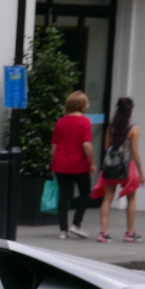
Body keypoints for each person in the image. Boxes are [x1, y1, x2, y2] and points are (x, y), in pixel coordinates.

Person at [92, 96, 145, 243]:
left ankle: (103, 232)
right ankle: (129, 233)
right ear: (130, 111)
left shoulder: (111, 128)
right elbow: (135, 152)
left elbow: (106, 148)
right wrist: (142, 174)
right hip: (129, 167)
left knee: (107, 198)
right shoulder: (134, 129)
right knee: (131, 198)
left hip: (111, 167)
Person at [50, 90, 96, 239]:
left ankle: (63, 229)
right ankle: (76, 224)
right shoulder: (85, 121)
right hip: (79, 164)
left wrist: (53, 161)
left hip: (61, 163)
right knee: (84, 194)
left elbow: (54, 146)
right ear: (83, 105)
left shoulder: (61, 122)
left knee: (64, 195)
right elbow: (87, 145)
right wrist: (93, 162)